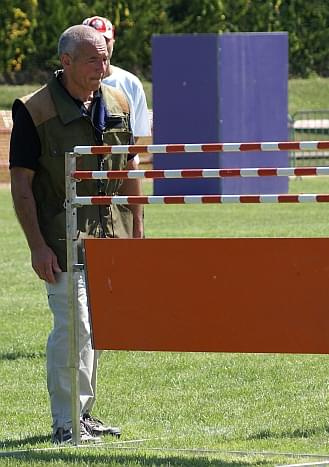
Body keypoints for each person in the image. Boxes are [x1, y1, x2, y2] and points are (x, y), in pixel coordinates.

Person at [9, 25, 143, 444]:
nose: (102, 67)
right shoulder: (34, 110)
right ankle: (65, 423)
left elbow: (128, 170)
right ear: (66, 61)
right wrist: (36, 246)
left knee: (97, 328)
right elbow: (21, 184)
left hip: (111, 236)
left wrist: (138, 229)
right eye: (92, 59)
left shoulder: (118, 100)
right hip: (60, 239)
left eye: (105, 58)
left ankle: (83, 415)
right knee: (74, 327)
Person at [82, 16, 152, 142]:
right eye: (93, 40)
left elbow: (135, 134)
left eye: (104, 39)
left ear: (113, 41)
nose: (99, 45)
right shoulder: (70, 82)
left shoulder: (131, 83)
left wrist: (120, 159)